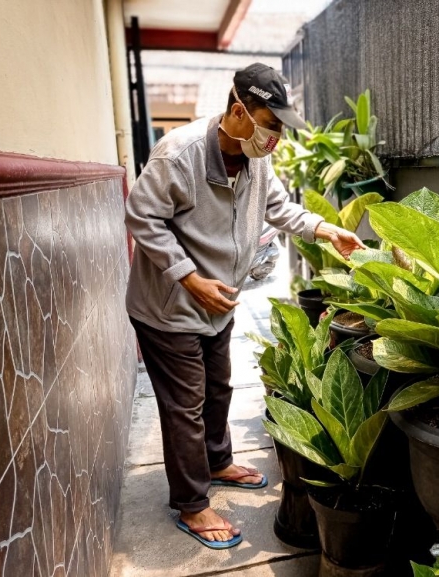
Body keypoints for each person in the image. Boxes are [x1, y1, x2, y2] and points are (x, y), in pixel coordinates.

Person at [124, 63, 364, 549]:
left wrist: (325, 228)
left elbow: (280, 208)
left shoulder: (257, 159)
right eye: (271, 124)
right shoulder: (180, 154)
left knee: (218, 388)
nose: (276, 137)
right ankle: (191, 505)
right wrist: (189, 278)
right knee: (184, 405)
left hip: (217, 303)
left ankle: (216, 460)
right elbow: (140, 215)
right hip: (169, 306)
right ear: (239, 111)